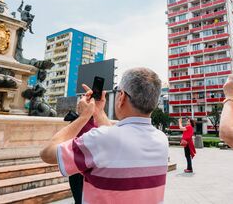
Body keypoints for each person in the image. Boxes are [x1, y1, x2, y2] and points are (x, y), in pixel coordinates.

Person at [40, 68, 169, 204]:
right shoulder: (161, 140)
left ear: (122, 97)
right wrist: (98, 112)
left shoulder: (101, 139)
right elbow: (116, 143)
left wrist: (84, 116)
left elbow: (47, 153)